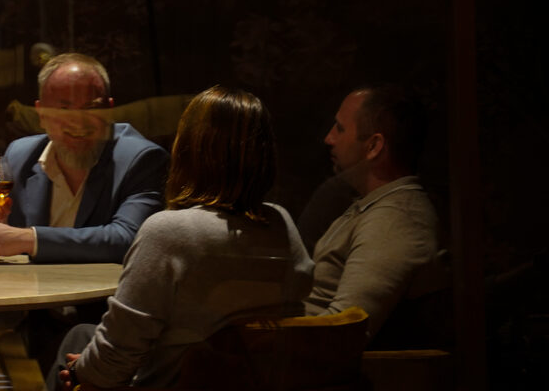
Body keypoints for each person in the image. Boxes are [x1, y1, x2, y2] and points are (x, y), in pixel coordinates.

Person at [52, 85, 313, 390]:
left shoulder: (170, 232)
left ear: (190, 150)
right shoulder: (282, 225)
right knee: (82, 335)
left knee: (75, 347)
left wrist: (82, 372)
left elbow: (116, 355)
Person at [0, 53, 170, 263]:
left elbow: (129, 238)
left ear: (109, 111)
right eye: (64, 110)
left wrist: (27, 239)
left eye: (91, 108)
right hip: (33, 294)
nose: (78, 122)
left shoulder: (141, 160)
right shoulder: (21, 155)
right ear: (41, 114)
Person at [302, 84, 441, 341]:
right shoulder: (372, 206)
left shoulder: (394, 220)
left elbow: (344, 332)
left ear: (374, 146)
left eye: (340, 128)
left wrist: (261, 341)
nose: (329, 139)